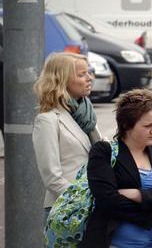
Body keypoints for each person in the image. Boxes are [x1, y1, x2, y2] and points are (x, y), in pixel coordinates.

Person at [82, 89, 152, 248]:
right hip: (113, 243)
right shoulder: (104, 152)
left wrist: (136, 194)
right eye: (147, 125)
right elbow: (108, 201)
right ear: (126, 125)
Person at [32, 52, 104, 221]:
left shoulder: (86, 114)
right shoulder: (47, 120)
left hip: (95, 206)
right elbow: (52, 177)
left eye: (89, 72)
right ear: (61, 80)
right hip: (67, 210)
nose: (90, 78)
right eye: (81, 74)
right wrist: (83, 201)